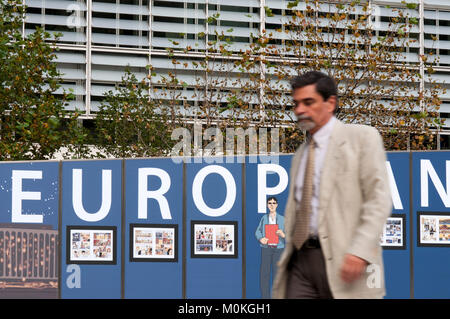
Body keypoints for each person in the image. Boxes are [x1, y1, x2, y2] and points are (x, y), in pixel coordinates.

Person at [271, 71, 392, 299]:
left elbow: (379, 199)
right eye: (296, 103)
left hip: (345, 259)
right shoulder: (301, 154)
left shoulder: (362, 138)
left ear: (330, 103)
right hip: (300, 261)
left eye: (308, 102)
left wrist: (360, 250)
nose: (299, 110)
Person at [255, 196, 286, 299]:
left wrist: (283, 234)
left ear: (277, 205)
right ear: (267, 205)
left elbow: (289, 233)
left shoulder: (282, 219)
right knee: (264, 274)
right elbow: (257, 231)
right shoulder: (264, 218)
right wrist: (261, 238)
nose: (272, 205)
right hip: (266, 248)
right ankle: (265, 298)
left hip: (278, 249)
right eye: (270, 203)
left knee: (277, 274)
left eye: (273, 203)